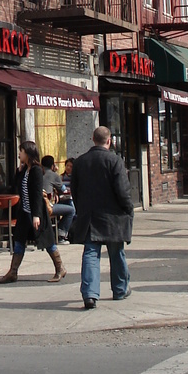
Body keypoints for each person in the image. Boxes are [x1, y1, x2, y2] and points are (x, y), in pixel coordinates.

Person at [69, 125, 135, 309]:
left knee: (90, 253)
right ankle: (120, 289)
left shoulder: (80, 162)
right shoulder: (114, 160)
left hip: (90, 216)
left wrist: (81, 209)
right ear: (109, 140)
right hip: (113, 216)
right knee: (116, 253)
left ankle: (90, 294)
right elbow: (123, 190)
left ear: (92, 139)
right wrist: (128, 208)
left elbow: (75, 190)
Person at [0, 140, 66, 283]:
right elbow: (18, 187)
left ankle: (60, 268)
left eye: (21, 152)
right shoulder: (24, 170)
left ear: (27, 153)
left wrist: (36, 215)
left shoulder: (36, 170)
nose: (19, 154)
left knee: (47, 241)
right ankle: (13, 271)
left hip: (35, 212)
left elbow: (36, 194)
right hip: (24, 212)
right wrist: (19, 171)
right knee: (19, 240)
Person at [41, 154, 75, 240]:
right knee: (71, 210)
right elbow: (63, 189)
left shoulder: (38, 173)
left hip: (36, 206)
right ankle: (61, 234)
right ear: (53, 165)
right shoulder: (54, 175)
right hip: (48, 206)